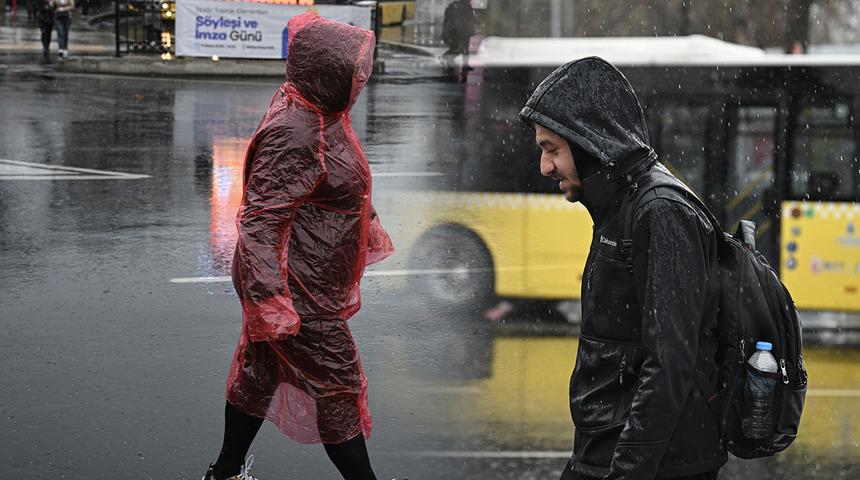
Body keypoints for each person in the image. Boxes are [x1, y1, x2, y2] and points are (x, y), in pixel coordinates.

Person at [201, 12, 394, 480]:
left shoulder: (319, 112)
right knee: (338, 385)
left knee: (259, 372)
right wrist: (270, 300)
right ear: (326, 71)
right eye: (353, 69)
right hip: (300, 293)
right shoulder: (297, 130)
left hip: (306, 281)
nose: (362, 77)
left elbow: (329, 183)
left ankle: (224, 472)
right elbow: (261, 221)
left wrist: (364, 220)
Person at [518, 57, 726, 480]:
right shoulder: (622, 205)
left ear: (589, 141)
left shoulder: (659, 212)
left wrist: (629, 469)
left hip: (653, 466)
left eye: (551, 149)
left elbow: (668, 364)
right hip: (605, 453)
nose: (544, 167)